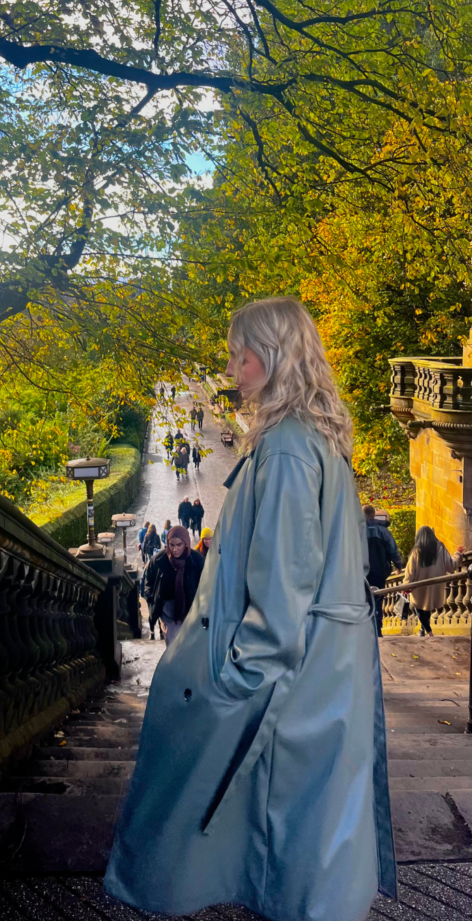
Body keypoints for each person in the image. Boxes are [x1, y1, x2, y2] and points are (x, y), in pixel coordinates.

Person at [105, 296, 397, 921]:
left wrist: (227, 685)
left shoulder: (288, 447)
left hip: (296, 679)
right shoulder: (311, 437)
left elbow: (283, 593)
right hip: (322, 672)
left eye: (243, 356)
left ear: (274, 356)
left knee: (284, 829)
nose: (233, 370)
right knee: (309, 834)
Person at [143, 525, 204, 647]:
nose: (175, 549)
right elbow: (147, 582)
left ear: (186, 543)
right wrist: (153, 600)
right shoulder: (159, 560)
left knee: (188, 643)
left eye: (179, 545)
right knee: (172, 644)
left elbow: (206, 584)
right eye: (172, 545)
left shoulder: (196, 560)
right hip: (167, 609)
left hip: (190, 606)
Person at [404, 525, 461, 638]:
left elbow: (410, 571)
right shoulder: (440, 548)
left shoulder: (416, 551)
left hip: (419, 584)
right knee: (428, 605)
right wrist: (458, 555)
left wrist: (406, 584)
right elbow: (451, 566)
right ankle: (422, 629)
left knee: (418, 606)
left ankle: (428, 631)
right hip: (435, 584)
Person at [363, 504, 404, 637]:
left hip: (362, 572)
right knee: (378, 599)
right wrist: (398, 565)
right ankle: (378, 630)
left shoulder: (357, 531)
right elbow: (393, 550)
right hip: (380, 571)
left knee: (363, 600)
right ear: (374, 515)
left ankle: (365, 630)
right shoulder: (384, 531)